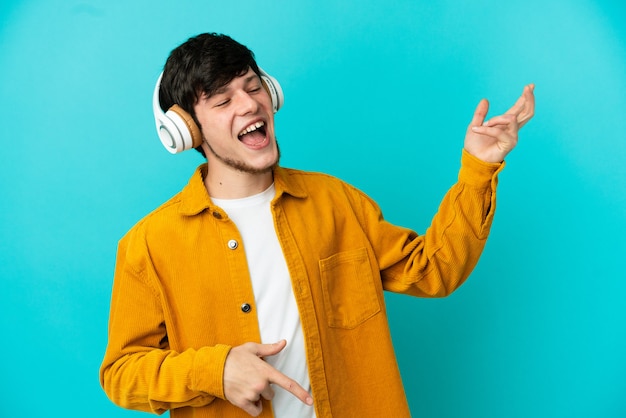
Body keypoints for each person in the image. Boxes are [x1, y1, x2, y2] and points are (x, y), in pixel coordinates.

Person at [99, 32, 535, 418]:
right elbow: (121, 373)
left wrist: (480, 166)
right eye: (224, 100)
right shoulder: (148, 246)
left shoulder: (336, 203)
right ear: (188, 130)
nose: (250, 103)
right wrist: (216, 370)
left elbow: (433, 270)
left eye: (253, 87)